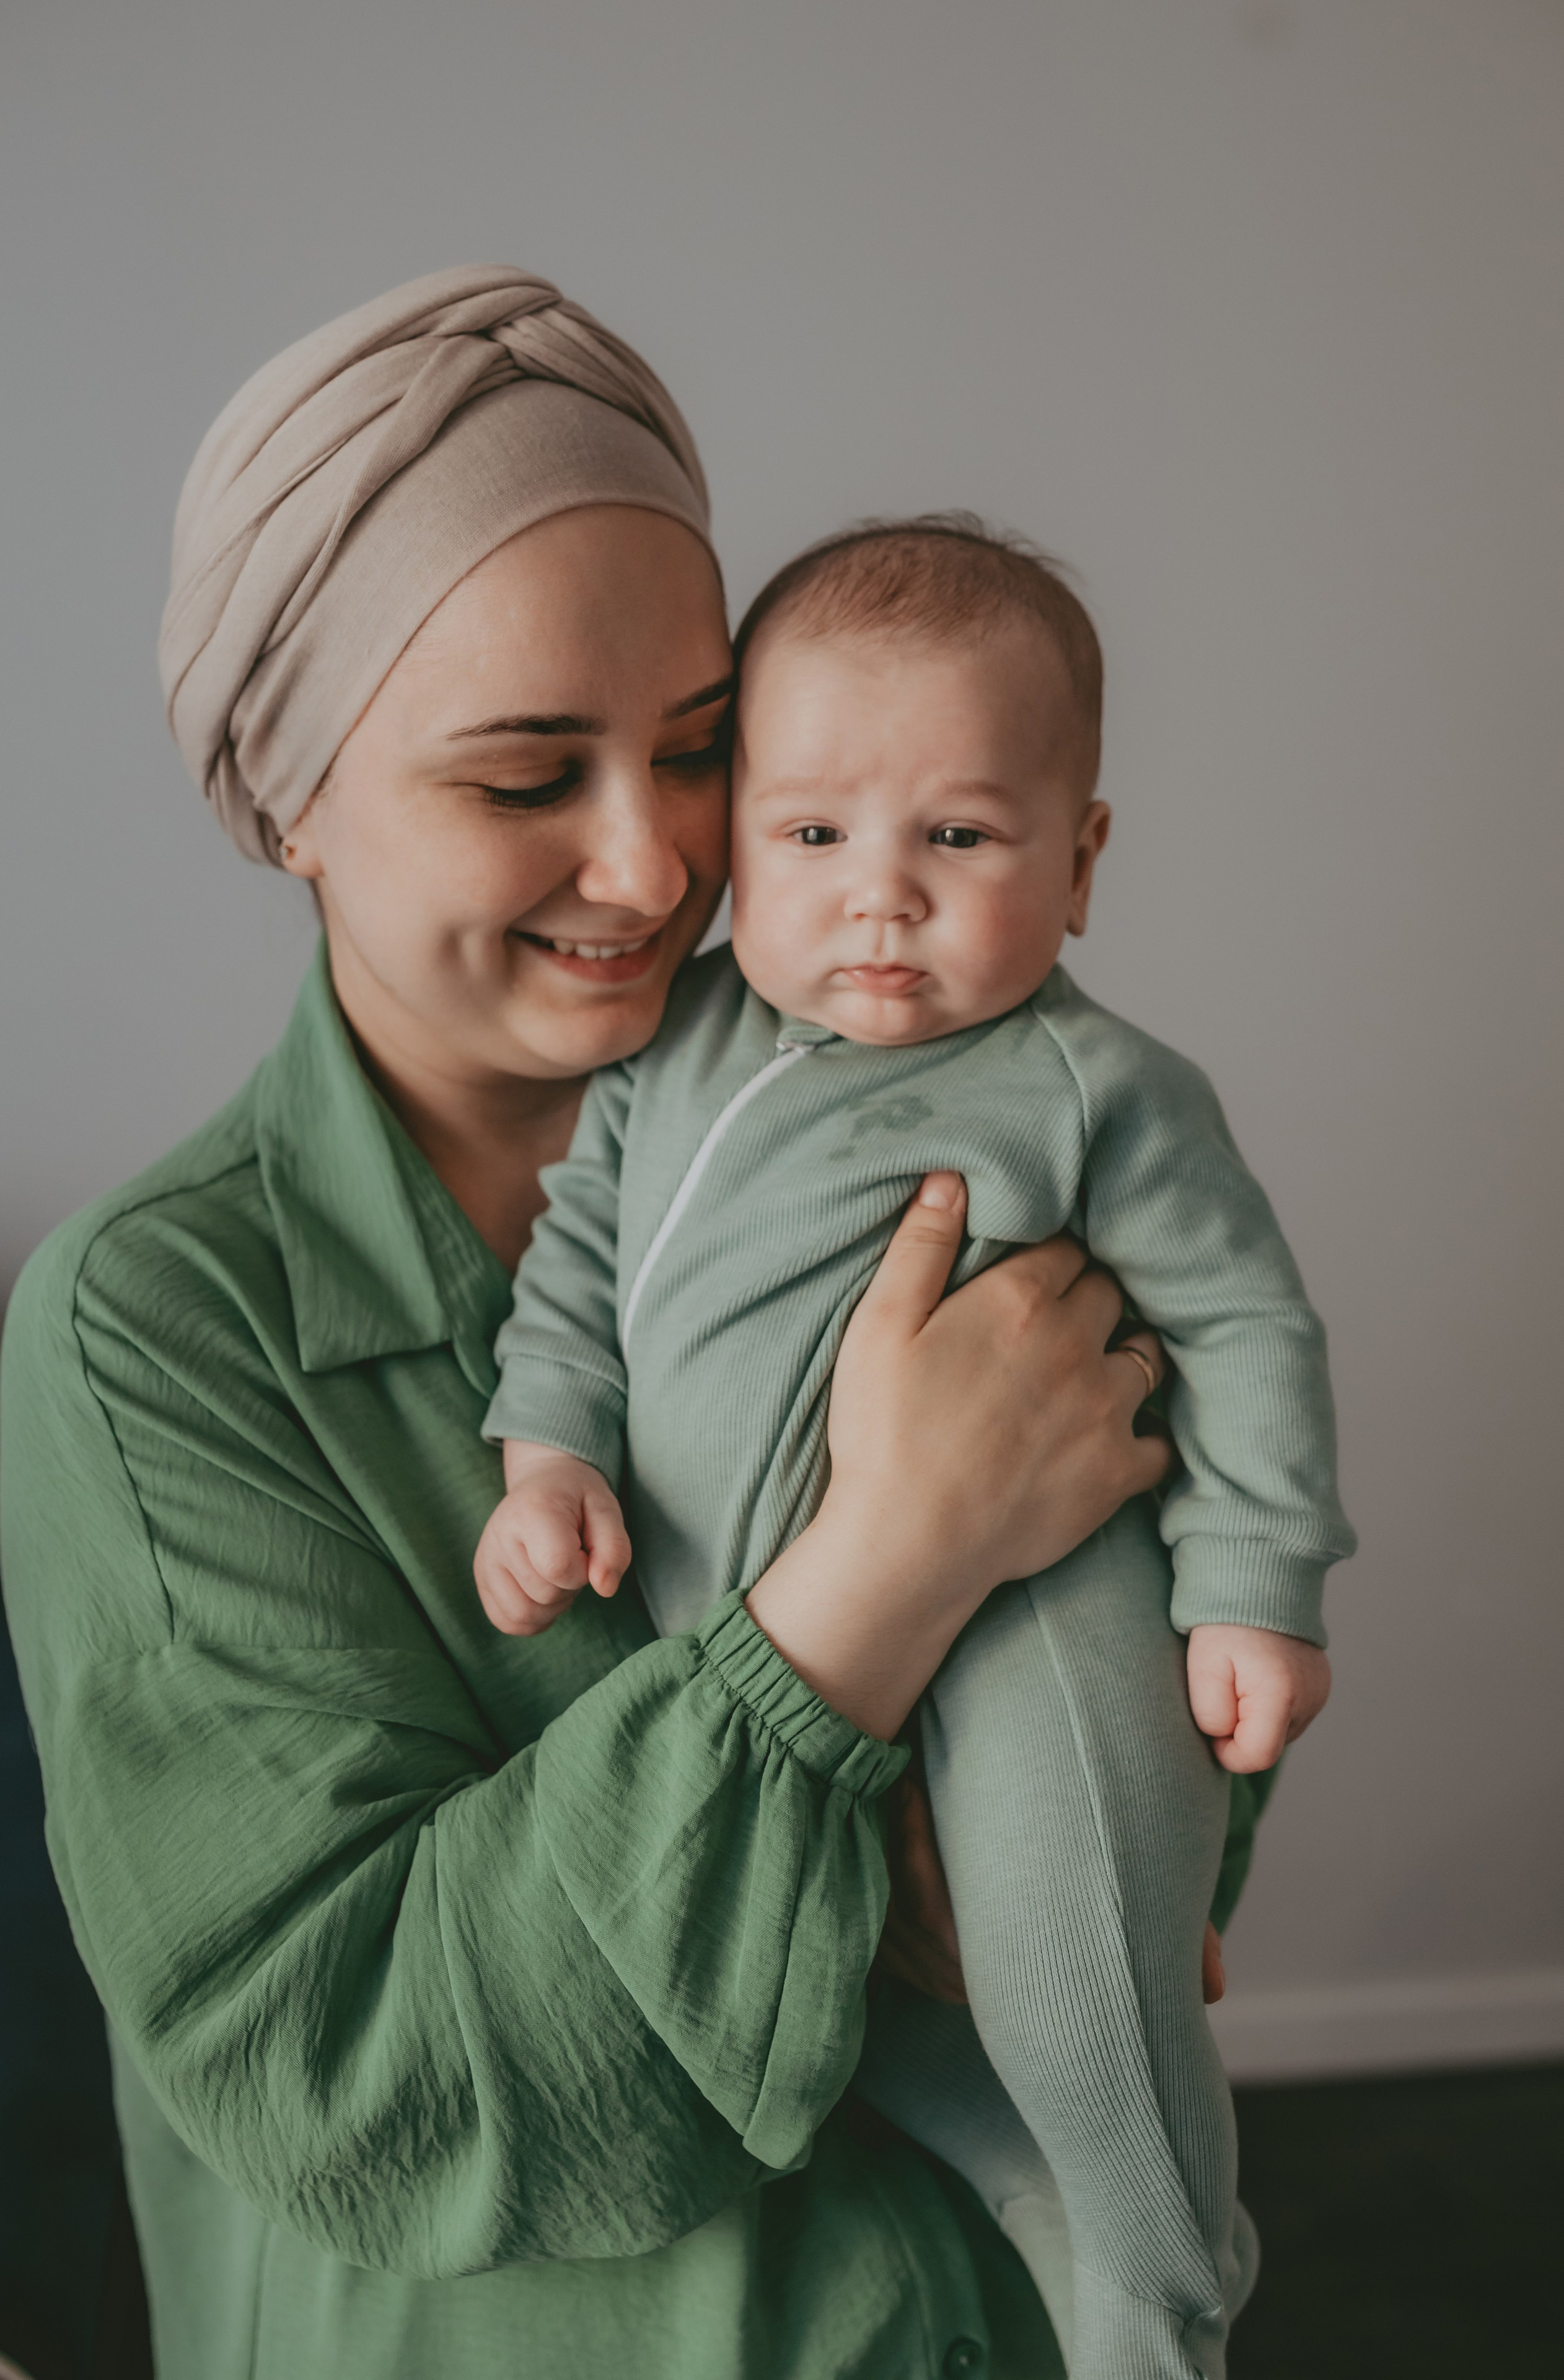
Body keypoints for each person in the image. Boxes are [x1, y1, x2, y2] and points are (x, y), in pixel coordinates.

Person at [0, 266, 1254, 2380]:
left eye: (697, 751)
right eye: (523, 780)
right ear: (291, 798)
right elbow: (364, 2078)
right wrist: (880, 1581)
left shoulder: (931, 1099)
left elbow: (1174, 1615)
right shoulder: (153, 1329)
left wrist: (1104, 1825)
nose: (657, 865)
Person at [477, 519, 1354, 2379]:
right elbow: (577, 1268)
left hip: (1043, 1623)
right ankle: (1077, 2230)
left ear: (1079, 862)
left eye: (956, 838)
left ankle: (1164, 2299)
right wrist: (547, 1452)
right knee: (895, 2023)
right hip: (774, 1629)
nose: (880, 898)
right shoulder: (675, 1045)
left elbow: (1244, 1323)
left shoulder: (1094, 1087)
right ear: (736, 843)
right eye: (813, 836)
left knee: (1069, 1980)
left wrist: (1254, 1586)